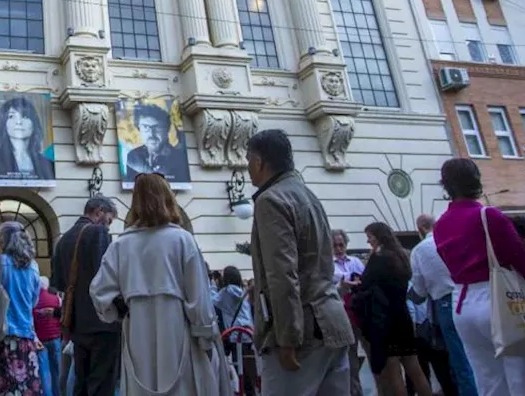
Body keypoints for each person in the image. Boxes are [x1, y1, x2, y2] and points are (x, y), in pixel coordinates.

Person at [432, 158, 525, 395]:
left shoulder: (440, 224)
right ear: (476, 180)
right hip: (501, 299)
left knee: (490, 382)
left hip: (463, 305)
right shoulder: (488, 216)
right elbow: (520, 259)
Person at [89, 172, 230, 395]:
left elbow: (99, 295)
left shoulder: (121, 245)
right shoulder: (182, 240)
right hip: (177, 330)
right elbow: (198, 298)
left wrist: (121, 309)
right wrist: (205, 339)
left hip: (137, 331)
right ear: (167, 197)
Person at [246, 129, 355, 395]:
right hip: (333, 323)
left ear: (259, 162)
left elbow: (282, 275)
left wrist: (287, 337)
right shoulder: (308, 196)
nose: (247, 167)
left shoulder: (271, 200)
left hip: (303, 332)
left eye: (248, 160)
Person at [49, 196, 119, 396]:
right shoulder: (98, 232)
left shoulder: (63, 240)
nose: (108, 225)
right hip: (102, 322)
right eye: (109, 220)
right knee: (101, 384)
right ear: (99, 212)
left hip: (77, 325)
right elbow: (106, 278)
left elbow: (59, 284)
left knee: (81, 382)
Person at [352, 223, 431, 396]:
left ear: (378, 237)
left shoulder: (379, 258)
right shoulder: (402, 256)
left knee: (394, 371)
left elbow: (365, 283)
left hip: (385, 320)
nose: (368, 241)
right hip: (403, 315)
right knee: (414, 367)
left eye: (370, 237)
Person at [409, 213, 475, 396]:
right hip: (469, 296)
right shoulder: (453, 240)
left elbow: (420, 290)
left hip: (445, 303)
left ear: (421, 229)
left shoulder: (419, 250)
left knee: (460, 360)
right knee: (477, 354)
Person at [0, 221, 45, 395]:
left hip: (0, 335)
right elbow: (34, 301)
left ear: (4, 239)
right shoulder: (34, 266)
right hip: (25, 336)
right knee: (24, 388)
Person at [0, 96, 54, 182]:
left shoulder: (49, 165)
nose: (19, 122)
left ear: (34, 124)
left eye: (25, 117)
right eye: (11, 116)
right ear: (4, 124)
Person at [330, 228, 366, 395]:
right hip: (343, 315)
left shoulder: (355, 261)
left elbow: (362, 279)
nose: (339, 249)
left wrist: (348, 279)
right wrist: (349, 279)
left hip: (360, 313)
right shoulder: (329, 264)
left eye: (341, 245)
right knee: (350, 357)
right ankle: (355, 391)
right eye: (335, 245)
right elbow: (337, 279)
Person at [213, 266, 256, 396]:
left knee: (241, 372)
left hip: (236, 336)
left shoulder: (226, 293)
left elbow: (211, 301)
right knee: (250, 371)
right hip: (249, 334)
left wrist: (212, 284)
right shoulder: (242, 291)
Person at [124, 103, 188, 179]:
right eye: (145, 127)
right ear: (139, 129)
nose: (151, 133)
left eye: (157, 127)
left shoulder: (179, 158)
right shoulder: (133, 156)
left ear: (167, 129)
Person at [34, 277, 64, 396]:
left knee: (44, 372)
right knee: (56, 370)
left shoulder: (34, 300)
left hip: (40, 339)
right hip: (55, 337)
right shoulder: (56, 299)